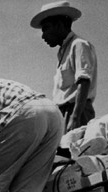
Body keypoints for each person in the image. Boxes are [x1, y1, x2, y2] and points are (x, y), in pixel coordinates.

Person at [30, 1, 97, 132]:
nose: (43, 36)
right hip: (63, 112)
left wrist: (75, 117)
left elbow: (84, 81)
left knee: (74, 144)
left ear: (59, 25)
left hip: (76, 110)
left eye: (46, 28)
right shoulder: (63, 51)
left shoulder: (79, 45)